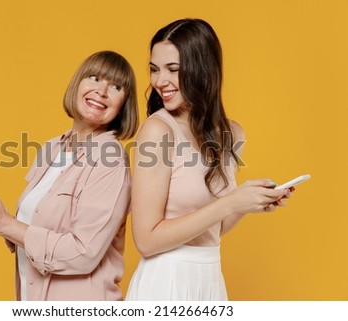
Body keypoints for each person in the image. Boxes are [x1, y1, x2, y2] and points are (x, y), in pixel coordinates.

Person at [125, 18, 292, 301]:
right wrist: (232, 201)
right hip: (166, 282)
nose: (159, 81)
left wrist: (248, 202)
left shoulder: (231, 133)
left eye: (173, 69)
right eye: (154, 69)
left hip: (210, 277)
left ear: (203, 70)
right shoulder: (158, 131)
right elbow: (146, 239)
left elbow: (214, 228)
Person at [0, 51, 139, 300]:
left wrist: (5, 224)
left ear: (123, 106)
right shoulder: (51, 148)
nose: (101, 91)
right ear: (77, 83)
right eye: (94, 78)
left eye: (116, 86)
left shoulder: (109, 159)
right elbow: (40, 226)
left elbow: (83, 253)